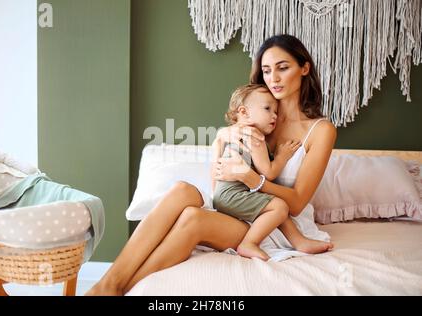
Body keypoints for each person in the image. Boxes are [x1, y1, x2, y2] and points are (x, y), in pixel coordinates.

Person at [86, 34, 336, 296]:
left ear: (304, 68)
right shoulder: (254, 120)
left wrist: (252, 179)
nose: (273, 78)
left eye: (283, 68)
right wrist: (220, 140)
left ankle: (115, 288)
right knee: (183, 190)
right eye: (266, 70)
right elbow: (219, 184)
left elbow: (295, 204)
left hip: (276, 223)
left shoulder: (321, 131)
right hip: (237, 209)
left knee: (194, 219)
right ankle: (107, 285)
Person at [213, 83, 322, 261]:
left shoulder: (233, 134)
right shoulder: (254, 136)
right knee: (279, 206)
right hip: (232, 195)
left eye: (276, 111)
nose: (274, 116)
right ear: (244, 112)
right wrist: (282, 156)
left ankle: (299, 241)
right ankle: (249, 243)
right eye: (267, 109)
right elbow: (269, 173)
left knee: (273, 204)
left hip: (223, 196)